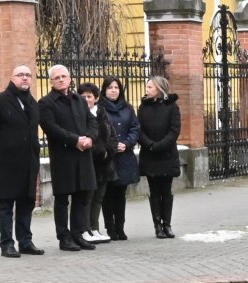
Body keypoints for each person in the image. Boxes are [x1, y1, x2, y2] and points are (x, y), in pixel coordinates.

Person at [0, 64, 43, 258]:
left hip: (28, 163)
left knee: (26, 203)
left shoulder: (33, 103)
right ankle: (7, 244)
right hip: (6, 163)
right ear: (12, 78)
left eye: (28, 75)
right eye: (20, 75)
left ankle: (25, 241)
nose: (24, 78)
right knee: (6, 206)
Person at [40, 64, 98, 252]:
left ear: (70, 78)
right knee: (63, 199)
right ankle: (64, 237)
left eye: (64, 76)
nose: (61, 80)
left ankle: (77, 234)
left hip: (83, 155)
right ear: (51, 81)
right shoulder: (46, 103)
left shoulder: (79, 100)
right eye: (57, 77)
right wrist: (75, 140)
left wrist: (90, 138)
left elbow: (92, 121)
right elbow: (51, 128)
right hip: (63, 156)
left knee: (82, 196)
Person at [97, 77, 141, 240]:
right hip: (108, 157)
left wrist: (127, 143)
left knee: (121, 194)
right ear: (104, 90)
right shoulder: (99, 108)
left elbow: (135, 128)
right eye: (110, 87)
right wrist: (111, 145)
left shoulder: (127, 108)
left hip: (124, 156)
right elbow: (98, 131)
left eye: (116, 87)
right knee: (107, 194)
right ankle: (110, 228)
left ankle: (120, 227)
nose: (113, 90)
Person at [138, 75, 181, 238]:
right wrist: (149, 145)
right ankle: (157, 226)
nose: (147, 90)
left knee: (166, 191)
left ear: (159, 88)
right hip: (149, 155)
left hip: (166, 154)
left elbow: (174, 130)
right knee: (154, 191)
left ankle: (167, 225)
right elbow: (138, 130)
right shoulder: (143, 107)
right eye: (147, 87)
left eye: (150, 87)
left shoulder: (172, 107)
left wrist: (160, 146)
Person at [78, 82, 114, 243]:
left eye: (89, 96)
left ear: (96, 98)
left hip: (104, 163)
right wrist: (96, 150)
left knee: (99, 197)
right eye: (83, 96)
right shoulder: (79, 115)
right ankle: (84, 229)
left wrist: (108, 151)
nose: (86, 99)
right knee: (87, 197)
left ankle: (94, 228)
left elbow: (112, 135)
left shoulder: (102, 114)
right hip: (88, 161)